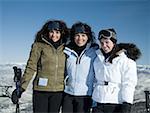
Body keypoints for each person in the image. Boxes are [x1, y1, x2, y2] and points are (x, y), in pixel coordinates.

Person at [11, 19, 69, 113]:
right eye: (51, 32)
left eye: (57, 32)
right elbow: (31, 67)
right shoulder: (39, 46)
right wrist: (21, 87)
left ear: (62, 33)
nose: (54, 35)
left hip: (58, 91)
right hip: (41, 91)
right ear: (47, 32)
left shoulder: (65, 48)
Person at [92, 28, 141, 113]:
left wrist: (127, 104)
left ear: (113, 42)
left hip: (116, 103)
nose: (104, 45)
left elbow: (129, 83)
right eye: (102, 43)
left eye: (107, 42)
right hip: (98, 102)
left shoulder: (125, 60)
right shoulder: (98, 59)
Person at [62, 22, 98, 113]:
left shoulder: (94, 52)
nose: (80, 38)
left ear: (88, 37)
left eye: (83, 35)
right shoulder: (67, 51)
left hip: (85, 96)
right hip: (68, 94)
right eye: (77, 35)